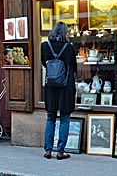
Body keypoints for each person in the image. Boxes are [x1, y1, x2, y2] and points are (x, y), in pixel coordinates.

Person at [41, 21, 77, 160]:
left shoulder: (45, 46)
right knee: (64, 118)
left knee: (50, 118)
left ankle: (48, 150)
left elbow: (44, 63)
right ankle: (60, 151)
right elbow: (73, 66)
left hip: (50, 86)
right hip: (65, 86)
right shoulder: (69, 48)